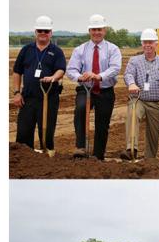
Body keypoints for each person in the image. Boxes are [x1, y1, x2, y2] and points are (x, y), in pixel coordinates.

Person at [66, 14, 121, 159]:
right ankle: (81, 147)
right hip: (85, 89)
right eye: (94, 29)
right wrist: (80, 77)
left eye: (99, 29)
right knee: (80, 109)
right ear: (89, 31)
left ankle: (98, 155)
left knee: (102, 124)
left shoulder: (113, 49)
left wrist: (99, 76)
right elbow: (71, 70)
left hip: (105, 90)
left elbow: (115, 68)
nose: (97, 32)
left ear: (105, 30)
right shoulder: (80, 49)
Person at [13, 16, 66, 154]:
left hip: (48, 98)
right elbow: (17, 72)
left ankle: (47, 159)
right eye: (40, 30)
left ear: (51, 33)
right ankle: (24, 159)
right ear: (35, 32)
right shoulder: (26, 50)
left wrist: (54, 77)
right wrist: (16, 93)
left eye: (46, 31)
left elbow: (61, 70)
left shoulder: (56, 51)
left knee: (46, 132)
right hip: (28, 98)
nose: (43, 33)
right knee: (23, 132)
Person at [120, 29, 159, 160]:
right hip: (139, 99)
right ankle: (131, 149)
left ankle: (149, 160)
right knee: (133, 113)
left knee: (153, 134)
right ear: (142, 44)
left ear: (156, 44)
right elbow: (128, 74)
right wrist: (131, 84)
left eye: (150, 42)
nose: (147, 45)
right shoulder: (134, 61)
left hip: (157, 103)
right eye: (145, 42)